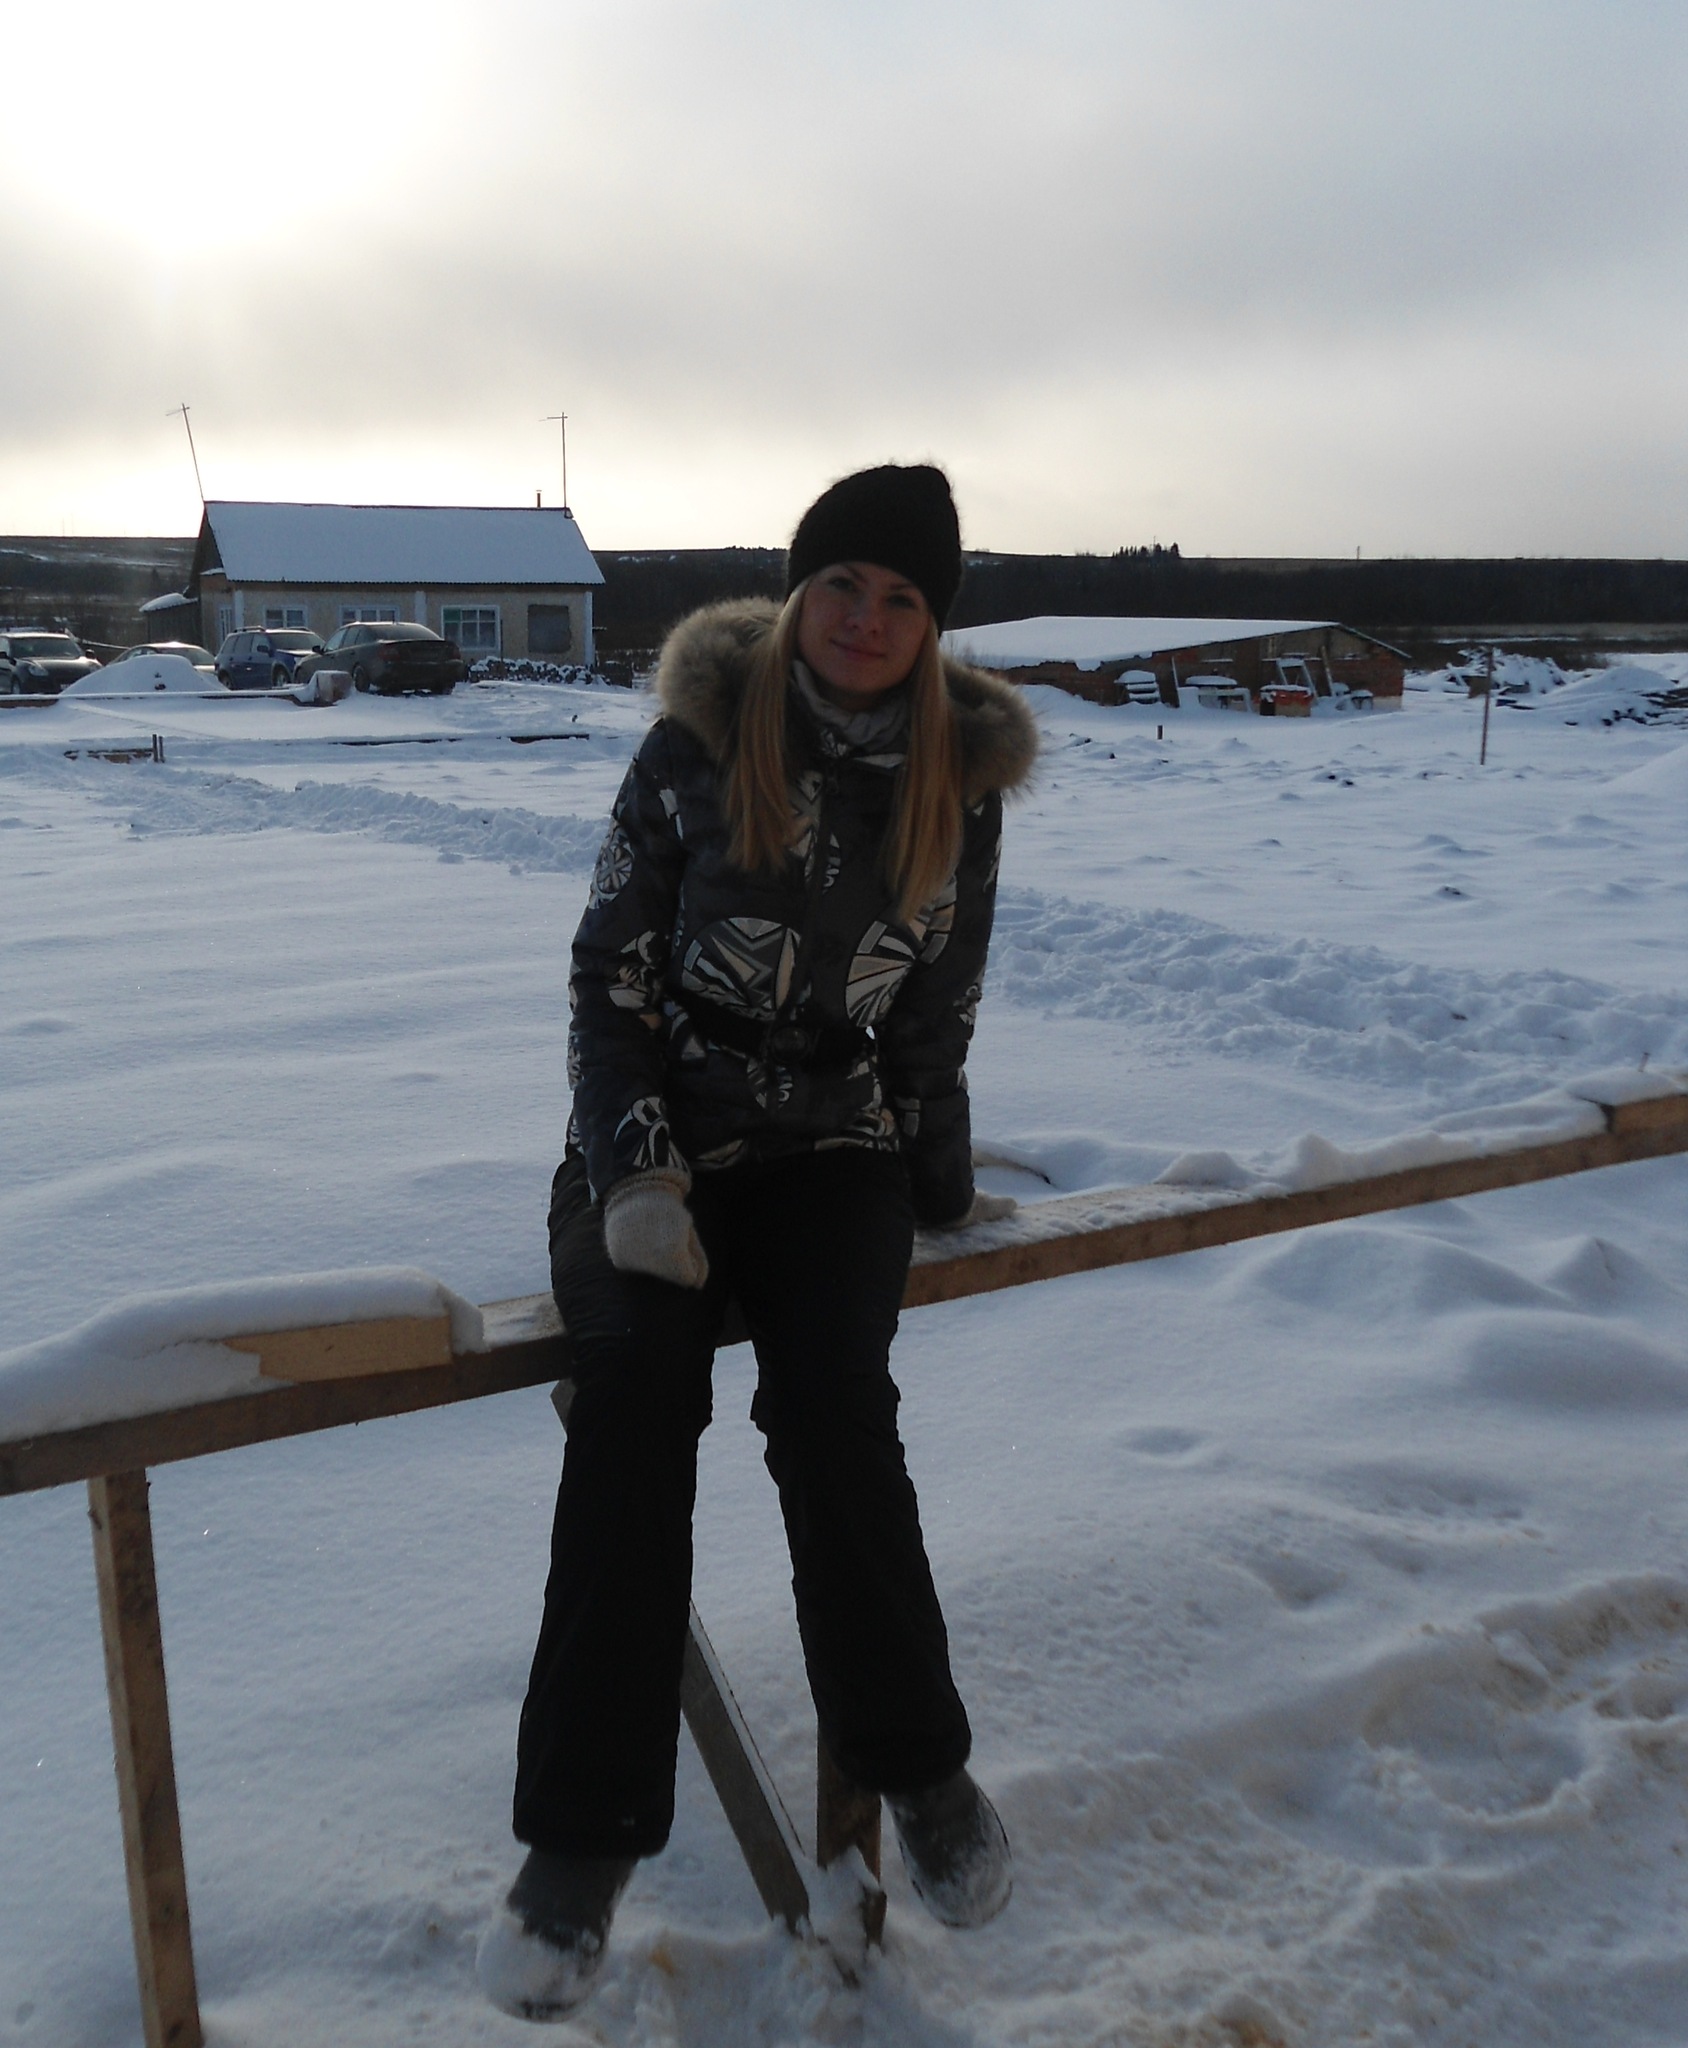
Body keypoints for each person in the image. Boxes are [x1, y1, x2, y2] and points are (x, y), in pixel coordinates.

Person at [477, 463, 1039, 2022]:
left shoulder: (957, 787)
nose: (867, 617)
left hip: (832, 1155)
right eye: (843, 583)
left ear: (932, 625)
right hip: (651, 1139)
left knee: (839, 1410)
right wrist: (636, 1173)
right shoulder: (697, 745)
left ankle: (921, 1772)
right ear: (798, 592)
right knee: (636, 1400)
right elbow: (607, 980)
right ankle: (580, 1846)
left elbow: (934, 1013)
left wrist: (938, 1184)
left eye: (903, 597)